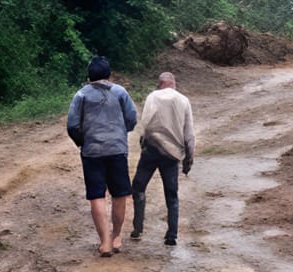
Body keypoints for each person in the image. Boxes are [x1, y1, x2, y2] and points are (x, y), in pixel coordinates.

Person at [67, 56, 138, 257]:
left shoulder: (81, 95)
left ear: (89, 76)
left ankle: (104, 241)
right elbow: (132, 119)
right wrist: (120, 133)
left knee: (96, 195)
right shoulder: (120, 92)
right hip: (117, 150)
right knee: (119, 194)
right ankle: (116, 237)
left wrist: (83, 141)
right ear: (109, 75)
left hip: (92, 152)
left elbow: (72, 125)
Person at [129, 71, 196, 246]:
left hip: (151, 151)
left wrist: (143, 143)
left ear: (159, 84)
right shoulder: (183, 100)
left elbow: (145, 123)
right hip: (172, 154)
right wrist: (188, 159)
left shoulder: (152, 96)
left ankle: (137, 228)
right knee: (172, 194)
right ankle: (171, 235)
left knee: (138, 187)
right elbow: (189, 134)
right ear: (174, 84)